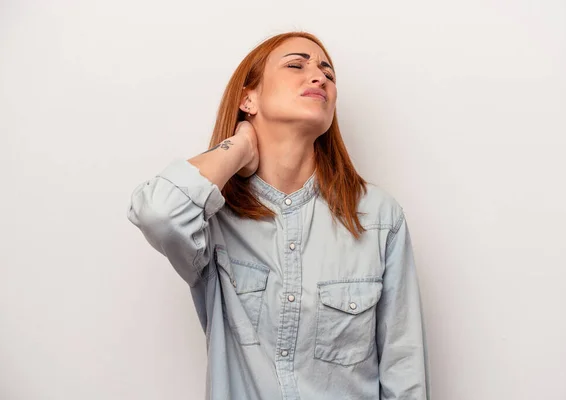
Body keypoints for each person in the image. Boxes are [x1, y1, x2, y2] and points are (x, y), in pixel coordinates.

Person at [127, 31, 429, 400]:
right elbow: (157, 212)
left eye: (328, 73)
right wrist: (238, 147)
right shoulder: (213, 218)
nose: (319, 77)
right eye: (296, 65)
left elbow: (405, 372)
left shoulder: (378, 217)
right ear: (248, 99)